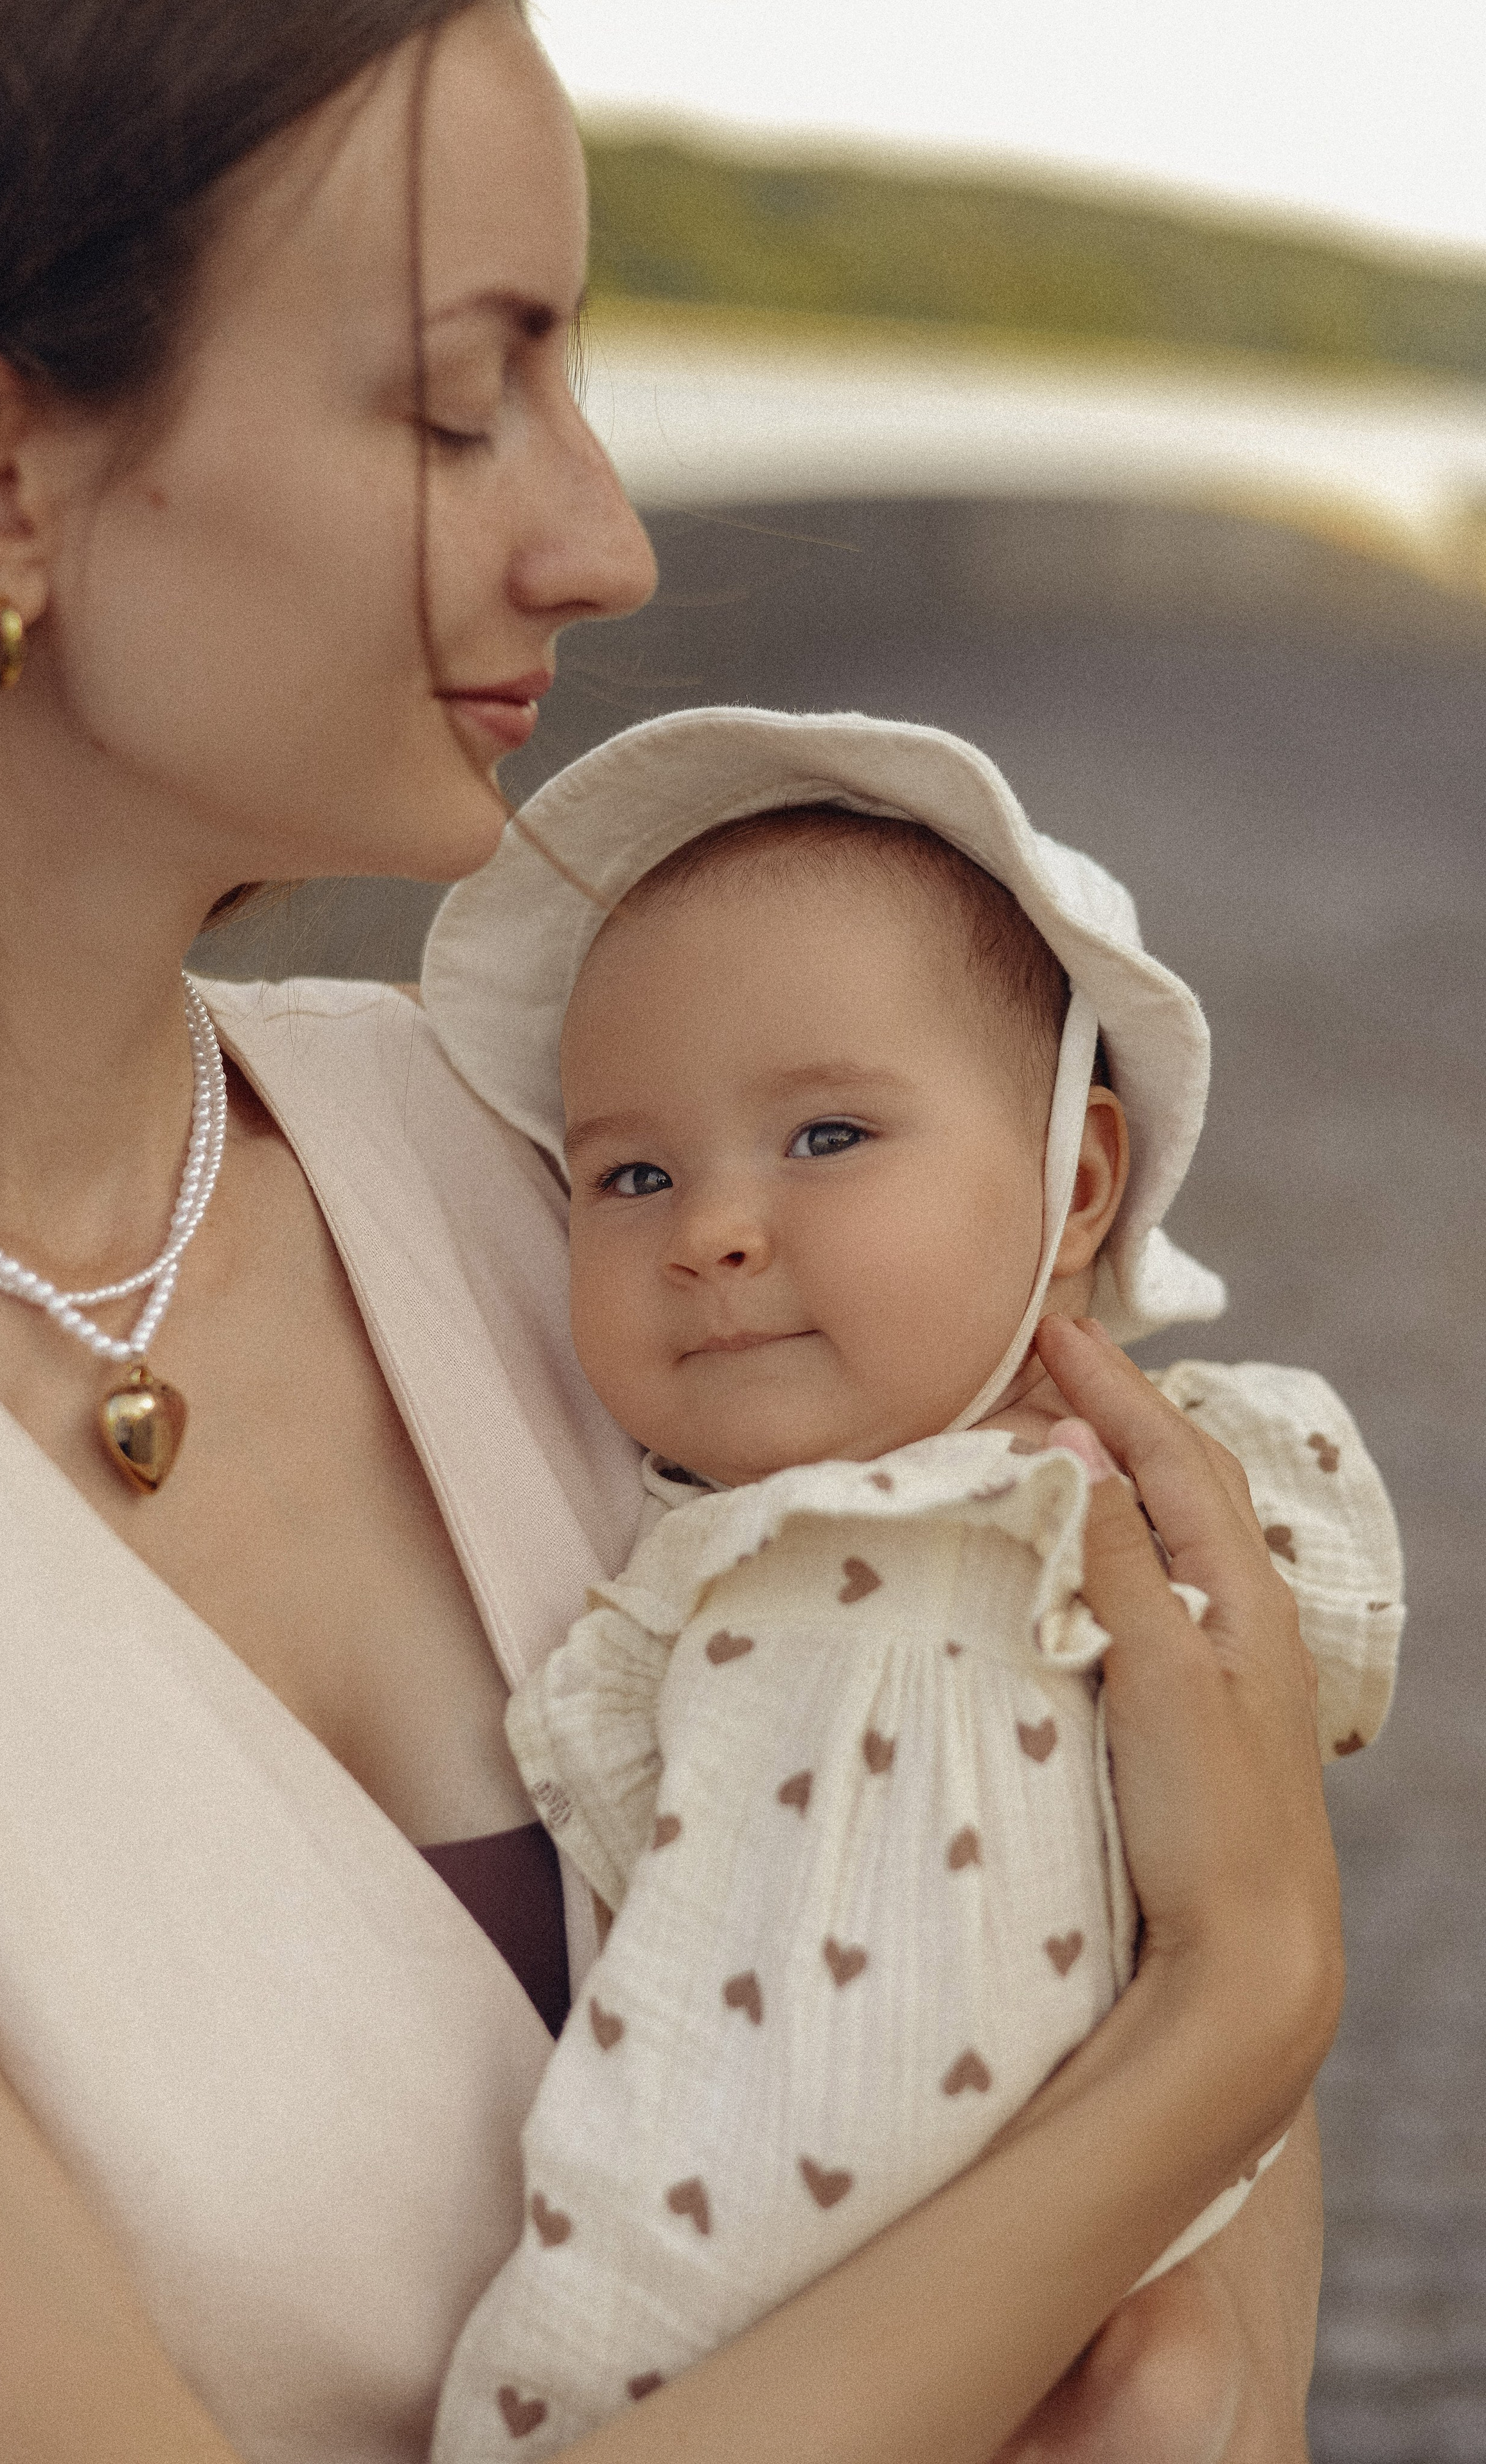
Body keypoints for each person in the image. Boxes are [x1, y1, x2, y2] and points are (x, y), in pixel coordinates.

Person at [0, 4, 1340, 2461]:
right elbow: (1206, 1988)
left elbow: (1091, 1772)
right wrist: (1237, 2020)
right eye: (465, 403)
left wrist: (1227, 2338)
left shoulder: (569, 1167)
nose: (609, 539)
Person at [419, 711, 1401, 2460]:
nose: (710, 1228)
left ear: (1075, 1181)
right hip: (735, 2359)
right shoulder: (685, 1559)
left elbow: (1296, 1701)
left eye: (825, 1138)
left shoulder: (1122, 1506)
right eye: (631, 1172)